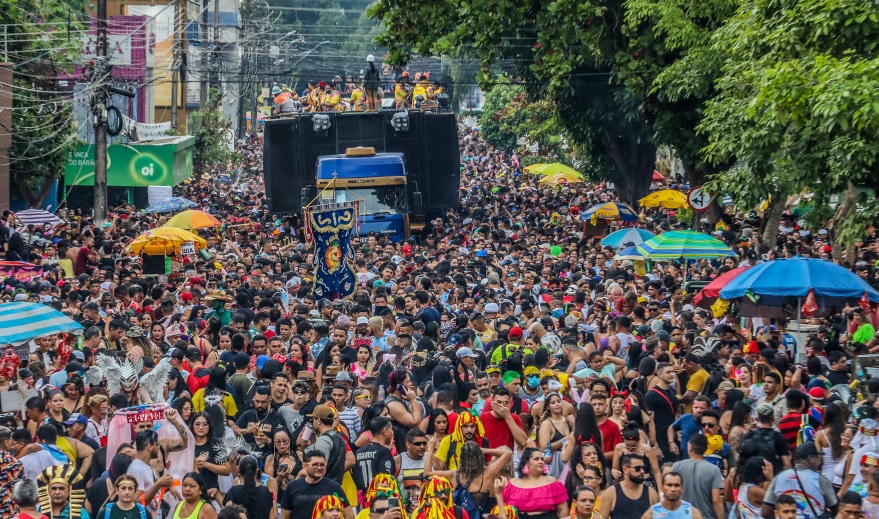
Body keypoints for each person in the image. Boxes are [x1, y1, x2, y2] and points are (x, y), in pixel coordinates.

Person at [762, 442, 839, 519]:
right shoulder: (820, 480)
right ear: (810, 458)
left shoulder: (778, 478)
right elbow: (837, 509)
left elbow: (766, 512)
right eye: (818, 457)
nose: (820, 461)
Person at [280, 451, 353, 519]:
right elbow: (284, 516)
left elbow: (349, 516)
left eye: (322, 465)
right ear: (304, 466)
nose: (319, 467)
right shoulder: (292, 486)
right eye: (315, 464)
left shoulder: (334, 487)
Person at [502, 447, 570, 519]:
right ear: (526, 463)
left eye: (542, 459)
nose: (541, 462)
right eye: (536, 459)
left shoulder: (553, 483)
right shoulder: (512, 484)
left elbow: (563, 510)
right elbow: (504, 509)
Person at [671, 434, 725, 519]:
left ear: (690, 447)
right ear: (706, 449)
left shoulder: (677, 466)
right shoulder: (714, 470)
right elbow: (716, 500)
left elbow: (671, 493)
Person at [598, 453, 659, 519]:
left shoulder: (651, 493)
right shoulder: (611, 493)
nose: (642, 471)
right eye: (637, 468)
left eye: (643, 468)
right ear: (625, 470)